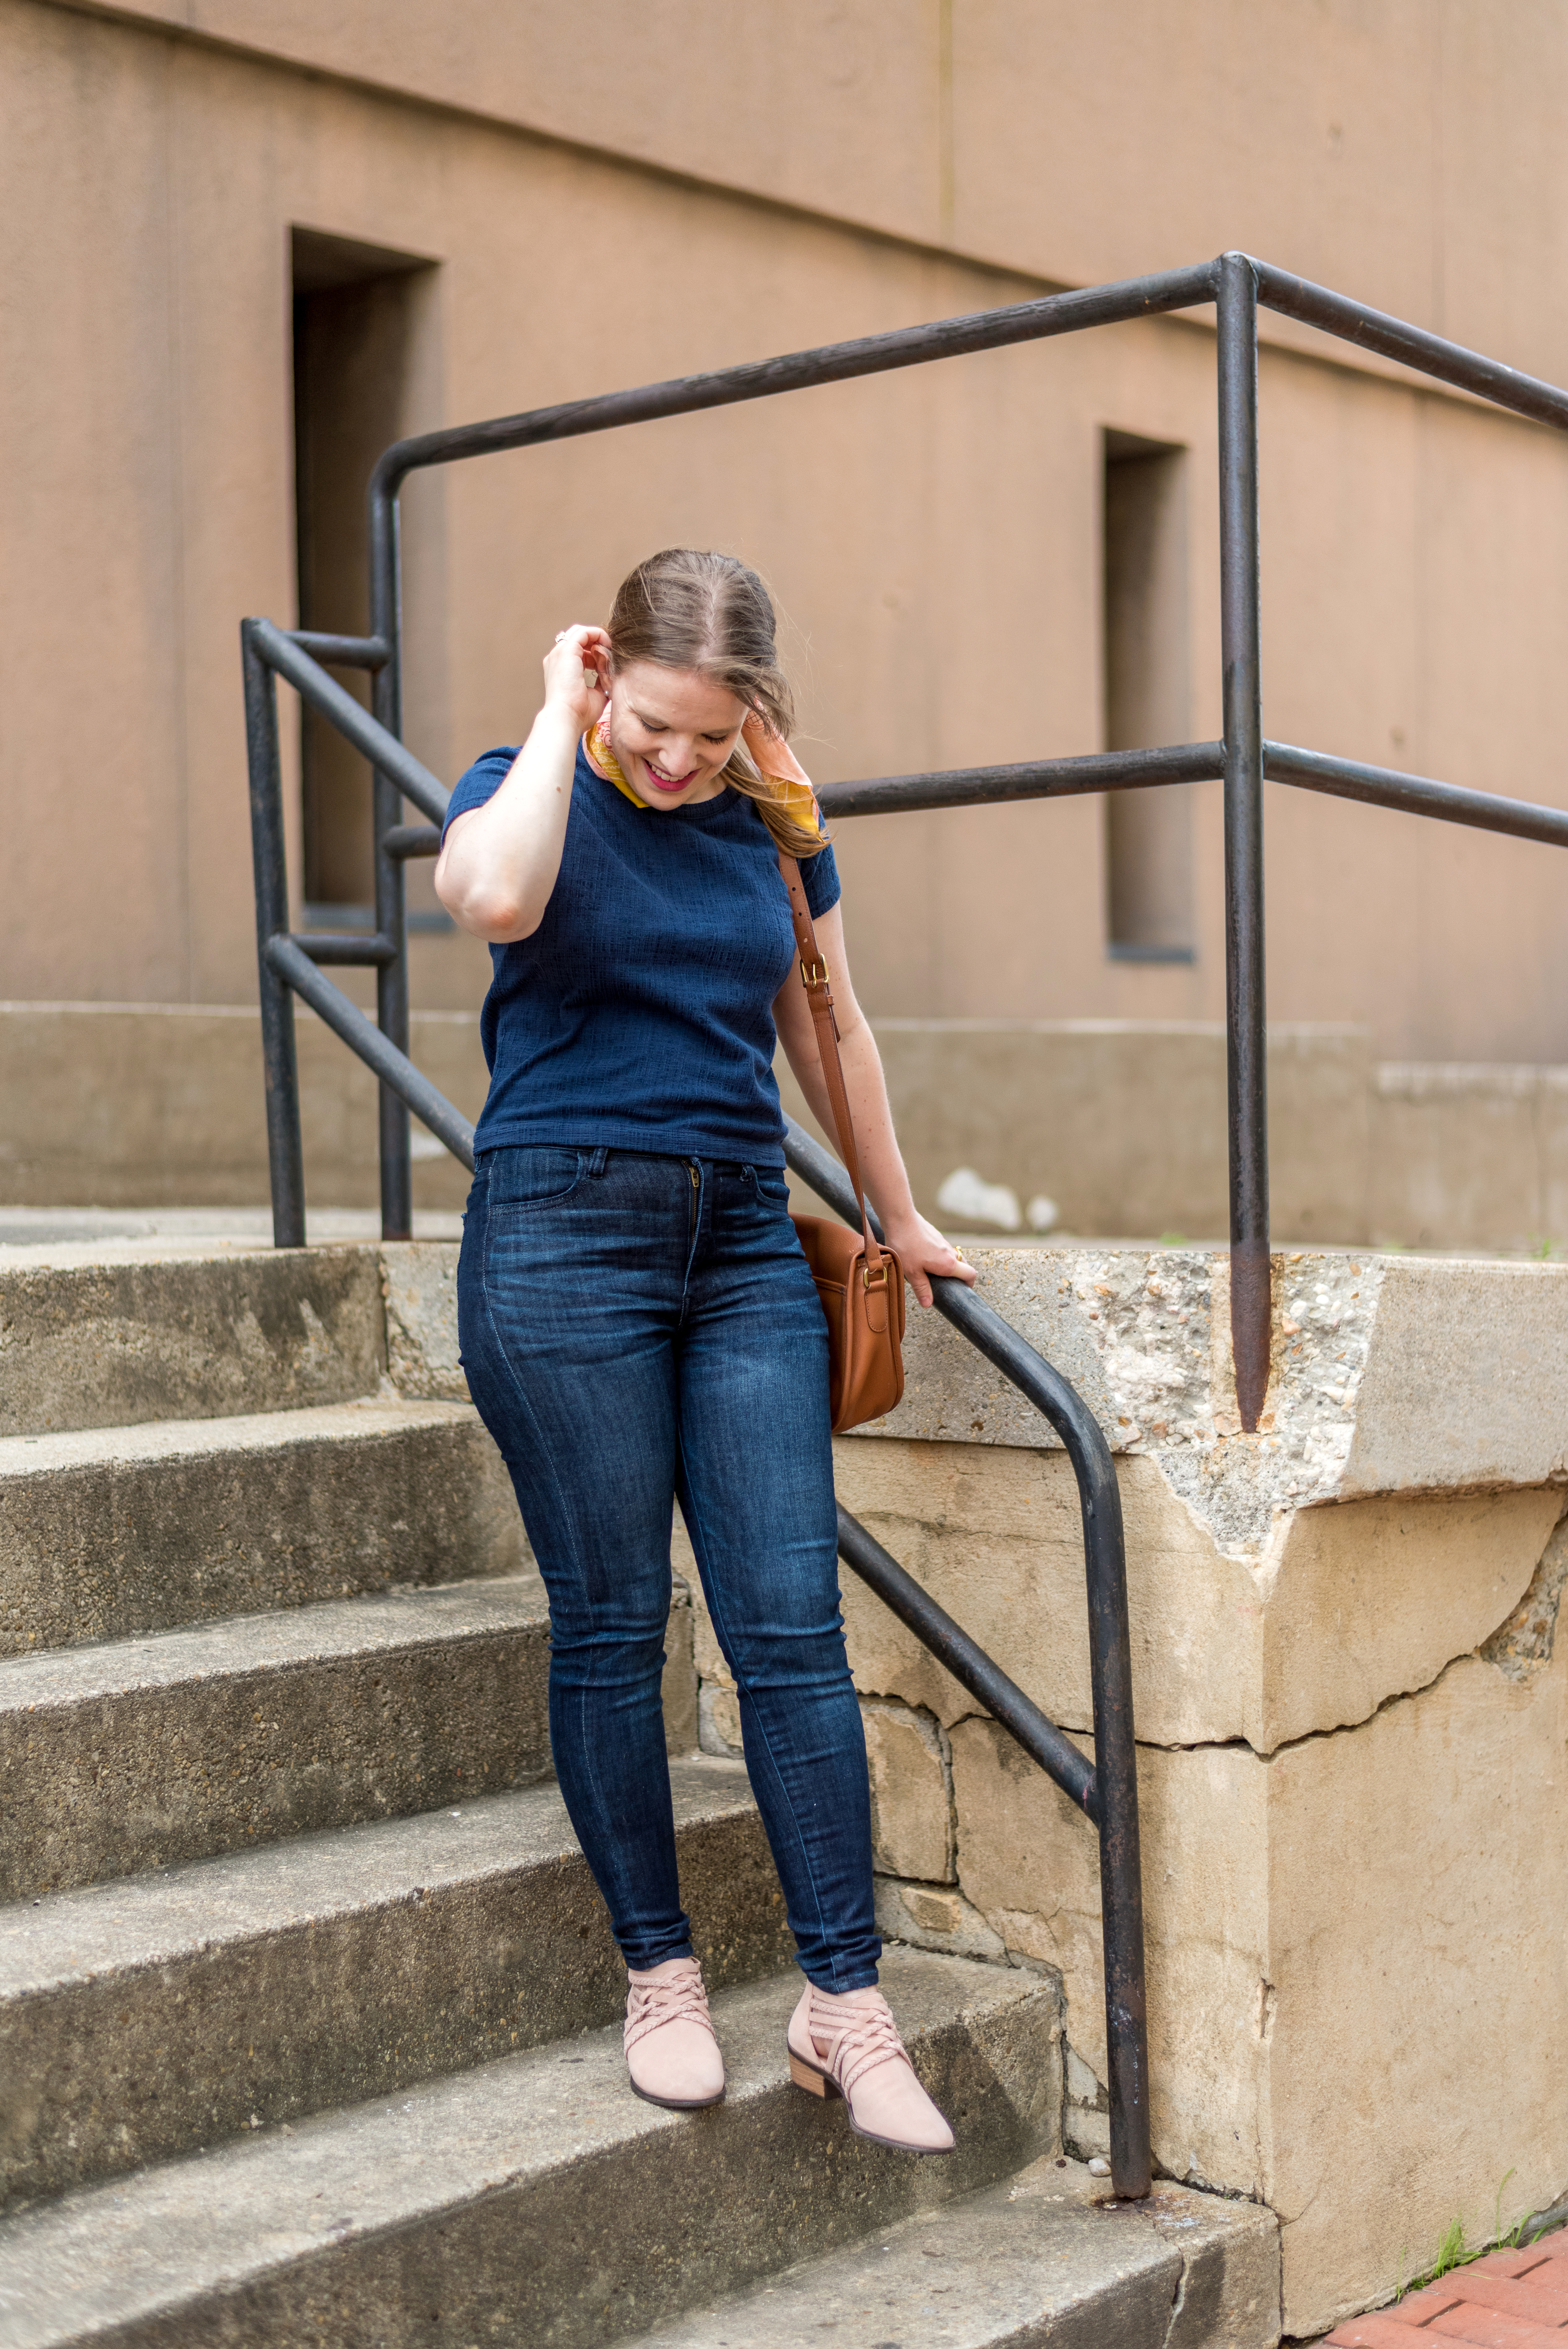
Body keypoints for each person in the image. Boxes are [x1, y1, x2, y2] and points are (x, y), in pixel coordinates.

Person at [435, 548, 976, 2155]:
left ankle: (844, 2004)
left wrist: (898, 1209)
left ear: (758, 720)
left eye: (713, 737)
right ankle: (659, 1974)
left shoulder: (770, 829)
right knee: (611, 1624)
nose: (679, 762)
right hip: (556, 1238)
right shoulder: (522, 779)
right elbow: (494, 896)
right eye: (654, 725)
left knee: (790, 1628)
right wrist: (554, 711)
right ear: (609, 682)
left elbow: (832, 1026)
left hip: (745, 1242)